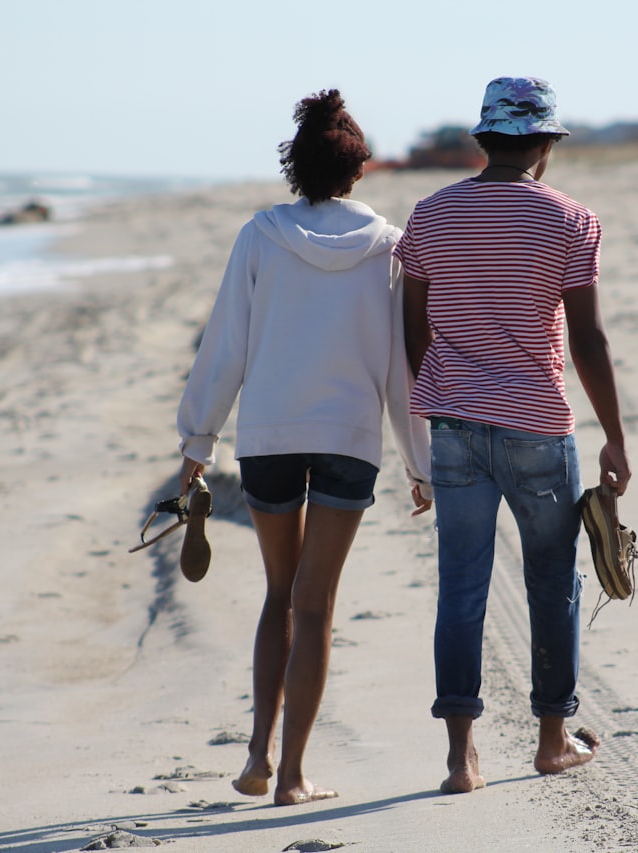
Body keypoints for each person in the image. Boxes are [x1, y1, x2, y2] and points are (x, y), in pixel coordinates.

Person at [175, 89, 431, 805]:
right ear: (355, 170)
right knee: (317, 603)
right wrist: (421, 462)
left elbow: (225, 346)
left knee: (279, 594)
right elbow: (397, 366)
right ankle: (291, 777)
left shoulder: (260, 235)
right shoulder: (387, 245)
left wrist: (199, 439)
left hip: (270, 436)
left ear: (298, 166)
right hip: (349, 436)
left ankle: (257, 754)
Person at [395, 76, 631, 794]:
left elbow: (413, 325)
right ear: (545, 145)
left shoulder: (430, 215)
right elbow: (587, 339)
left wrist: (434, 395)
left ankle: (460, 756)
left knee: (460, 587)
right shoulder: (570, 220)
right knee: (552, 583)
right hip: (536, 424)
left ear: (485, 140)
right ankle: (552, 740)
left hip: (455, 427)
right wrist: (615, 437)